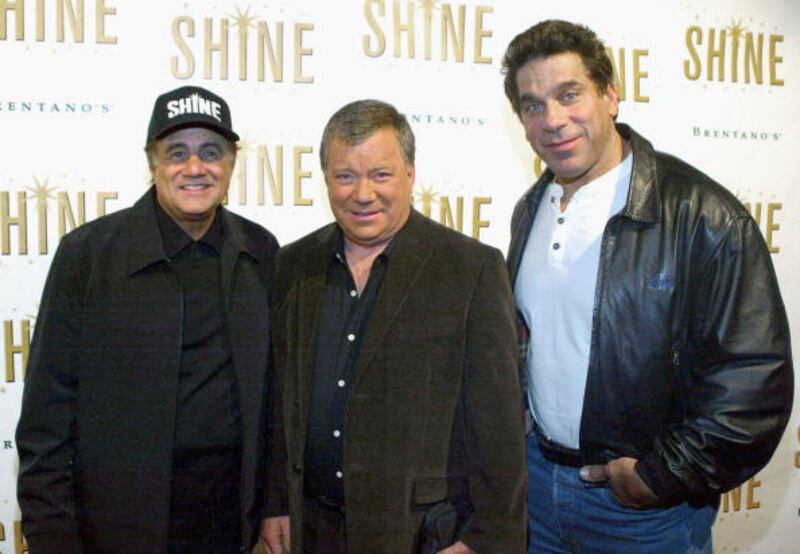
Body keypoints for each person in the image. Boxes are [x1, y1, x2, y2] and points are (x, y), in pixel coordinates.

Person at [501, 19, 793, 553]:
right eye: (533, 105)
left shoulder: (703, 215)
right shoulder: (530, 210)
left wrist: (661, 476)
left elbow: (754, 378)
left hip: (643, 514)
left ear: (611, 95)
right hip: (537, 491)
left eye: (569, 94)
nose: (554, 120)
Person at [16, 85, 279, 553]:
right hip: (116, 534)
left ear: (231, 164)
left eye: (211, 152)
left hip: (230, 531)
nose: (195, 167)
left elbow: (277, 404)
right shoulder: (89, 256)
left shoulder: (261, 253)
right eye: (177, 153)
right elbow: (46, 422)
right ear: (152, 163)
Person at [261, 99, 526, 554]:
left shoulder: (471, 269)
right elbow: (280, 404)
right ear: (325, 179)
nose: (363, 194)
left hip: (420, 533)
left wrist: (486, 538)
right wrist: (275, 503)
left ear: (410, 174)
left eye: (380, 175)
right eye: (345, 176)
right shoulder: (293, 264)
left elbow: (498, 425)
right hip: (312, 528)